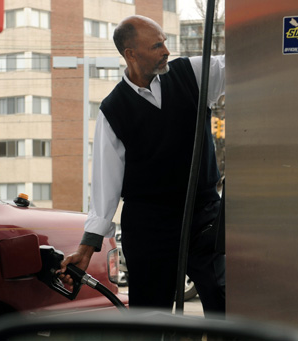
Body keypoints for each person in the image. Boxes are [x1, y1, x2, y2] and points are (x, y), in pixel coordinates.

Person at [60, 15, 225, 316]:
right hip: (150, 225)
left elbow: (242, 65)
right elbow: (105, 186)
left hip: (205, 216)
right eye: (157, 45)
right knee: (150, 316)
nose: (166, 50)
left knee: (226, 298)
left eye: (164, 42)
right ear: (131, 54)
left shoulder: (192, 73)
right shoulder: (113, 110)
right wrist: (86, 248)